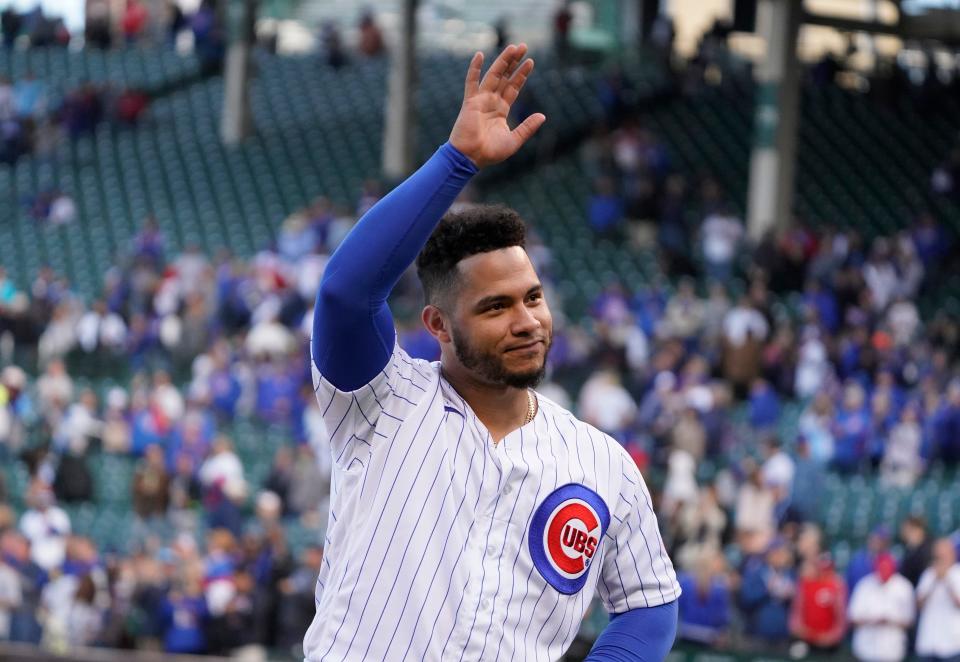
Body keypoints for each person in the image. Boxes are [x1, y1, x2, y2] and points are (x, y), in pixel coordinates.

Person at [306, 44, 679, 661]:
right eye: (495, 307)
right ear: (438, 325)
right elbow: (346, 294)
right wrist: (457, 161)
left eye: (532, 297)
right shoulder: (383, 402)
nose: (527, 321)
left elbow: (649, 604)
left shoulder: (602, 462)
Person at [847, 553, 915, 662]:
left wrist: (890, 621)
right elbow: (853, 617)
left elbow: (910, 620)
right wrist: (872, 620)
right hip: (866, 649)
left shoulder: (904, 586)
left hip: (892, 650)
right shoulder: (864, 585)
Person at [915, 538, 960, 662]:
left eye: (943, 553)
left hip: (953, 644)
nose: (940, 557)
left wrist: (947, 580)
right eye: (937, 554)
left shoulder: (958, 573)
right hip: (928, 642)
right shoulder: (928, 574)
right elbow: (919, 605)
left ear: (952, 553)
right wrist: (935, 580)